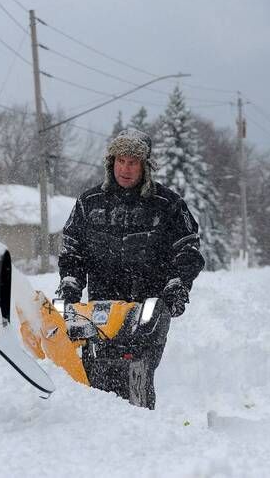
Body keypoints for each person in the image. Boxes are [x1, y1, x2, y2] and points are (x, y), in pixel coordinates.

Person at [56, 128, 205, 408]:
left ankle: (140, 424)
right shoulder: (89, 204)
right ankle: (98, 425)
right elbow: (72, 249)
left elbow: (188, 251)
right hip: (101, 309)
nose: (125, 169)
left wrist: (178, 285)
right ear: (111, 163)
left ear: (145, 166)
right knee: (94, 368)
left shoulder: (168, 205)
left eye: (133, 162)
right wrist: (70, 283)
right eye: (120, 161)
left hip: (147, 306)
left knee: (136, 368)